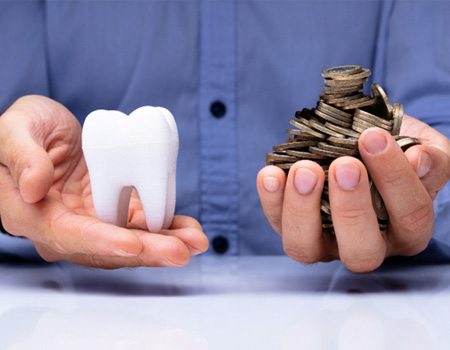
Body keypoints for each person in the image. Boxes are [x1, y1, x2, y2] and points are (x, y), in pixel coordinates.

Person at [0, 1, 449, 272]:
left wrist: (423, 195)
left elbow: (436, 123)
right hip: (64, 312)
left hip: (358, 309)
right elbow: (10, 130)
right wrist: (14, 178)